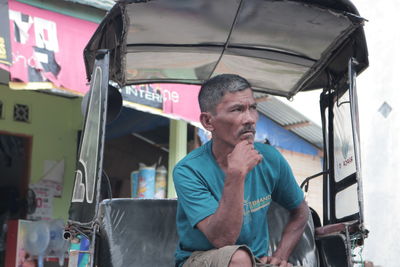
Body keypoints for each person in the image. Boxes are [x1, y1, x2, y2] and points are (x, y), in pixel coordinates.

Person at [173, 74, 309, 267]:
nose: (250, 119)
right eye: (237, 110)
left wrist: (281, 256)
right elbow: (222, 240)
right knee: (238, 258)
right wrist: (236, 174)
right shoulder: (188, 171)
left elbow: (301, 211)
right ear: (208, 122)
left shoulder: (270, 158)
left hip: (254, 261)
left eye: (252, 108)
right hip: (200, 259)